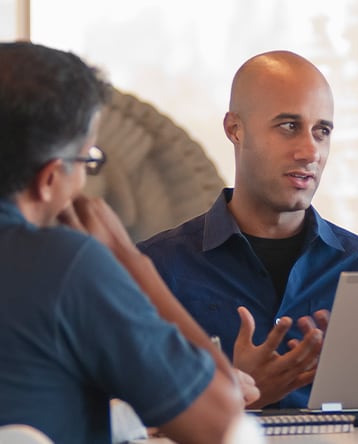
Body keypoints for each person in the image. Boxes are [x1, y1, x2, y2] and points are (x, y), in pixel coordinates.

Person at [0, 42, 258, 444]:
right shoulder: (66, 265)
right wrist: (128, 260)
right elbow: (225, 423)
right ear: (49, 179)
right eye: (88, 161)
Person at [138, 50, 358, 409]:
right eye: (289, 126)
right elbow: (127, 418)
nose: (310, 151)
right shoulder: (156, 269)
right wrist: (237, 394)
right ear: (235, 129)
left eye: (322, 131)